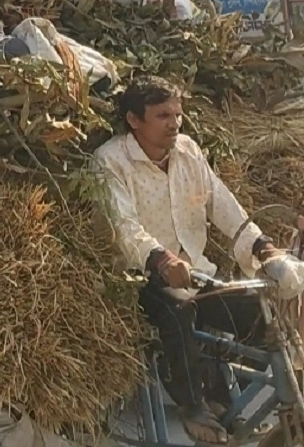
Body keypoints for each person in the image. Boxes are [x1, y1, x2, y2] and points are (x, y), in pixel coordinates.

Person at [94, 76, 284, 445]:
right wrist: (162, 261)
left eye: (178, 114)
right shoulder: (111, 160)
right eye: (163, 115)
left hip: (196, 273)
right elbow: (123, 226)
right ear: (134, 120)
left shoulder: (188, 151)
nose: (175, 123)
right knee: (177, 308)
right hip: (139, 279)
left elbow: (223, 204)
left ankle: (221, 396)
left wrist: (263, 246)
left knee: (261, 312)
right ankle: (191, 405)